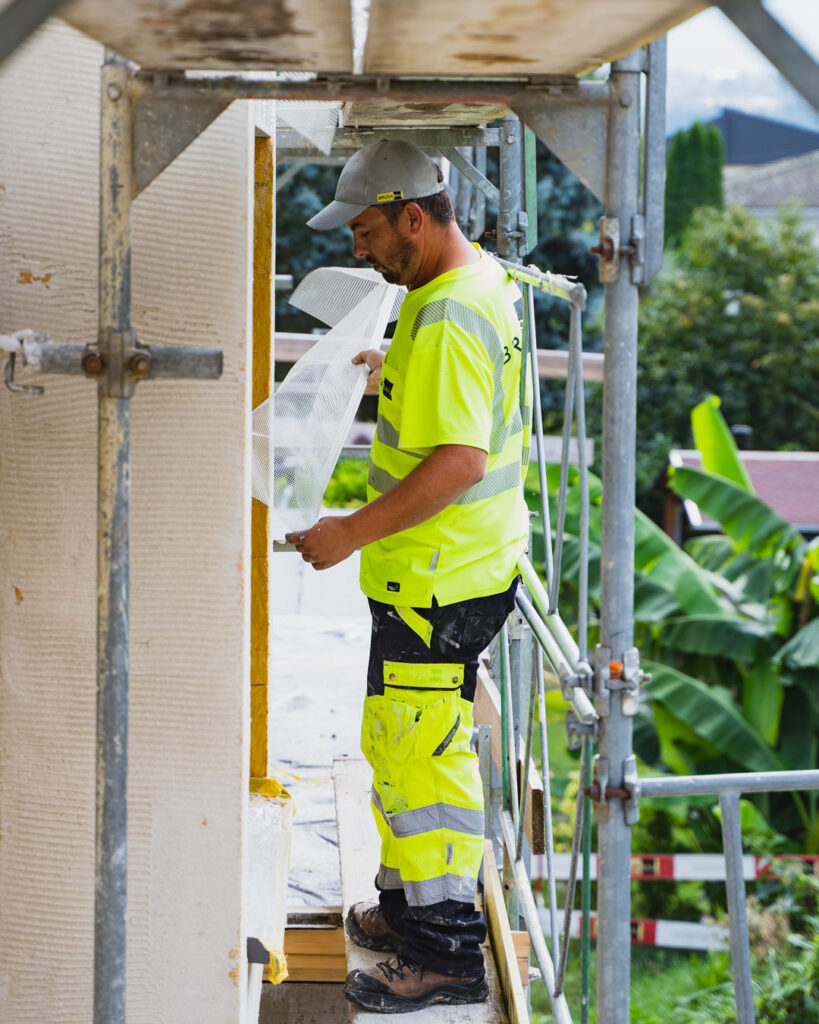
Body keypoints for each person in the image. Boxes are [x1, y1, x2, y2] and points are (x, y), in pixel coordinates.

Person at [285, 139, 529, 1013]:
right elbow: (466, 411)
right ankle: (405, 913)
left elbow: (460, 458)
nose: (357, 248)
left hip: (441, 579)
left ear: (412, 217)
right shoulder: (461, 288)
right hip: (454, 570)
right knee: (402, 744)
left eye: (364, 229)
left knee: (421, 763)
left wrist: (349, 532)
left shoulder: (451, 313)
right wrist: (400, 375)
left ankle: (446, 953)